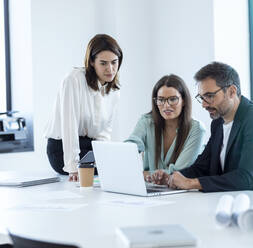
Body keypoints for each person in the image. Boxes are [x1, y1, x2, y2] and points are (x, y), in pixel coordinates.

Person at [152, 62, 253, 193]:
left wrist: (191, 183)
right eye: (201, 97)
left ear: (231, 91)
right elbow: (202, 166)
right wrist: (173, 177)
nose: (204, 105)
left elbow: (245, 178)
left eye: (210, 96)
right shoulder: (218, 123)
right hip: (230, 200)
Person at [44, 34, 123, 182]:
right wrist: (73, 166)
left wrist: (106, 155)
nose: (110, 69)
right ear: (92, 62)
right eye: (103, 63)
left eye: (114, 62)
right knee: (112, 166)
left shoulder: (113, 90)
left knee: (119, 163)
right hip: (61, 148)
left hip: (90, 146)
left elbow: (104, 134)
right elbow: (69, 126)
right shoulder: (73, 80)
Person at [125, 74, 205, 180]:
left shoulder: (196, 129)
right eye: (161, 100)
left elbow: (180, 171)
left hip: (182, 191)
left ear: (184, 101)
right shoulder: (147, 121)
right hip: (151, 189)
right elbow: (130, 146)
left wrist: (145, 174)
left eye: (173, 99)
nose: (166, 105)